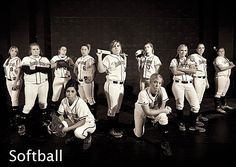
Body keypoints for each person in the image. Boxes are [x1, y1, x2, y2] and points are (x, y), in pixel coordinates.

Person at [133, 73, 172, 156]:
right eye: (155, 82)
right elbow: (147, 112)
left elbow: (162, 108)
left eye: (159, 83)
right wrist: (164, 110)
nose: (157, 85)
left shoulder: (163, 90)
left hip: (154, 109)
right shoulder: (143, 93)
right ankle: (136, 127)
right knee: (139, 135)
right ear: (150, 83)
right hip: (141, 111)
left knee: (163, 117)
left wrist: (160, 114)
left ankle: (164, 142)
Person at [17, 43, 51, 136]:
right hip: (31, 84)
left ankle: (45, 123)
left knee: (43, 104)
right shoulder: (26, 59)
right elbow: (27, 70)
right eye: (33, 49)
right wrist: (40, 68)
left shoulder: (44, 59)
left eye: (37, 49)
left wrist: (35, 68)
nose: (36, 51)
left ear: (40, 50)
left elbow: (47, 70)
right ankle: (21, 125)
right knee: (28, 106)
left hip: (43, 83)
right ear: (30, 51)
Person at [169, 44, 205, 133]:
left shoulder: (190, 60)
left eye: (185, 50)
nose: (183, 52)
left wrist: (181, 69)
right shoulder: (174, 60)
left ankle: (192, 125)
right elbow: (175, 72)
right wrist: (186, 71)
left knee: (196, 106)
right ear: (178, 51)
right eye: (181, 50)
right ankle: (181, 122)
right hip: (178, 84)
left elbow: (193, 71)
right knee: (180, 105)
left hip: (189, 84)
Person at [96, 40, 127, 138]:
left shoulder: (121, 57)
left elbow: (124, 70)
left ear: (121, 47)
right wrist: (100, 57)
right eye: (114, 46)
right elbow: (101, 70)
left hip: (121, 85)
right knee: (112, 108)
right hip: (112, 84)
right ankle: (111, 129)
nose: (116, 47)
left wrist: (124, 59)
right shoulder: (108, 57)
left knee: (117, 109)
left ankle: (115, 127)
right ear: (111, 49)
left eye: (118, 45)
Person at [57, 79, 96, 150]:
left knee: (78, 133)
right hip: (76, 121)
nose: (69, 94)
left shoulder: (80, 103)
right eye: (68, 91)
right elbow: (61, 116)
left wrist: (68, 129)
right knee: (61, 124)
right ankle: (74, 135)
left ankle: (88, 137)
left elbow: (83, 121)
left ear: (76, 92)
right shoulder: (64, 101)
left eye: (72, 91)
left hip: (88, 123)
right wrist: (54, 124)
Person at [74, 44, 97, 119]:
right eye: (82, 49)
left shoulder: (90, 58)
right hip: (80, 81)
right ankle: (86, 116)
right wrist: (77, 76)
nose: (83, 51)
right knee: (83, 100)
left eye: (85, 49)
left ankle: (94, 117)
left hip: (87, 81)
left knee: (90, 99)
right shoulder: (79, 59)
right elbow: (75, 69)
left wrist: (92, 78)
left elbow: (94, 69)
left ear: (88, 50)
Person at [188, 43, 209, 122]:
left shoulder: (204, 59)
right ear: (196, 49)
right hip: (197, 78)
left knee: (199, 100)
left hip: (203, 79)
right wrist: (192, 80)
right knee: (195, 100)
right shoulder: (193, 56)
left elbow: (205, 71)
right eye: (199, 48)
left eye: (203, 48)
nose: (201, 49)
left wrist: (207, 81)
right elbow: (191, 68)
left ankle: (197, 115)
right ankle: (193, 118)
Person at [3, 46, 22, 127]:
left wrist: (15, 82)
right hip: (9, 81)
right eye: (12, 51)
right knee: (13, 99)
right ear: (9, 51)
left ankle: (16, 118)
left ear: (17, 53)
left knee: (14, 99)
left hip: (15, 80)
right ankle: (17, 116)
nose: (14, 52)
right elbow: (4, 68)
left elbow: (19, 72)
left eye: (15, 51)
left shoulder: (17, 59)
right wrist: (7, 77)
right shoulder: (7, 60)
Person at [50, 46, 74, 110]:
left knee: (69, 94)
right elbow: (50, 66)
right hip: (58, 77)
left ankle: (69, 109)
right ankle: (54, 110)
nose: (64, 51)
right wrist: (57, 64)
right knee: (55, 95)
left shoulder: (68, 58)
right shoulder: (55, 58)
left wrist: (69, 66)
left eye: (65, 50)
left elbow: (73, 67)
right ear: (59, 50)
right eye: (62, 49)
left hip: (67, 78)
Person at [213, 47, 235, 113]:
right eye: (220, 51)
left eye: (223, 51)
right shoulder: (218, 58)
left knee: (223, 93)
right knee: (218, 93)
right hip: (220, 77)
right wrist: (231, 66)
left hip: (227, 77)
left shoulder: (226, 59)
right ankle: (217, 107)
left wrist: (230, 63)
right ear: (217, 52)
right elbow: (221, 68)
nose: (222, 52)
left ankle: (223, 105)